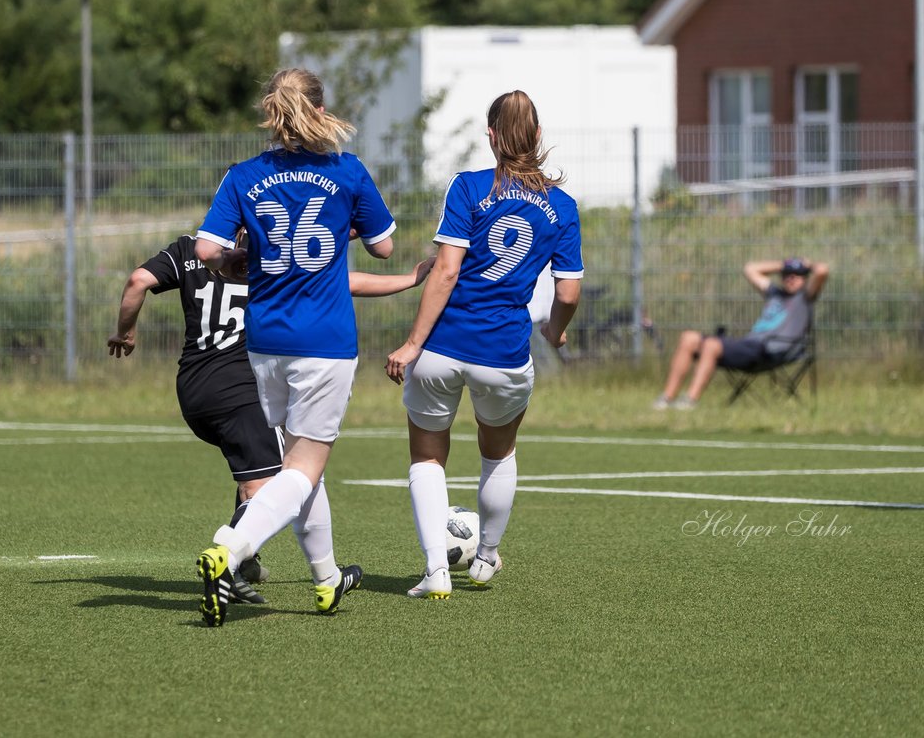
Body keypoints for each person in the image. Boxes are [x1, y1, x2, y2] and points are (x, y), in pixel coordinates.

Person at [107, 232, 434, 608]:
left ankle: (254, 567)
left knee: (258, 475)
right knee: (288, 479)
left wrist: (125, 332)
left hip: (193, 385)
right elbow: (345, 283)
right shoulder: (269, 250)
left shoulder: (188, 248)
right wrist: (410, 278)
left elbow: (138, 281)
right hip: (240, 389)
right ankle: (231, 560)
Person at [190, 67, 397, 627]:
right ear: (322, 111)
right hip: (325, 341)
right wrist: (344, 228)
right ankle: (230, 550)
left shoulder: (244, 175)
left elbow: (208, 248)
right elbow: (384, 246)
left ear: (272, 112)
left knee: (296, 466)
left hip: (265, 341)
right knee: (303, 468)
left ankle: (327, 580)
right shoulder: (347, 171)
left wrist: (238, 259)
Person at [385, 89, 582, 600]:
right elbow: (569, 290)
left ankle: (435, 571)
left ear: (491, 137)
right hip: (505, 353)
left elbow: (446, 270)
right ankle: (488, 555)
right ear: (538, 137)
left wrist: (411, 344)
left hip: (443, 348)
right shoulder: (562, 207)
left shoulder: (469, 187)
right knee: (498, 454)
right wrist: (556, 331)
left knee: (428, 459)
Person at [653, 257, 829, 410]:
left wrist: (807, 264)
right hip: (750, 344)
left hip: (769, 351)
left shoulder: (806, 296)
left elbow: (822, 271)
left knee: (712, 344)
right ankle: (666, 398)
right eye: (786, 275)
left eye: (796, 275)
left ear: (805, 278)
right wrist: (784, 264)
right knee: (688, 338)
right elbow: (750, 269)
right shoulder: (774, 294)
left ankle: (690, 400)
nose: (790, 279)